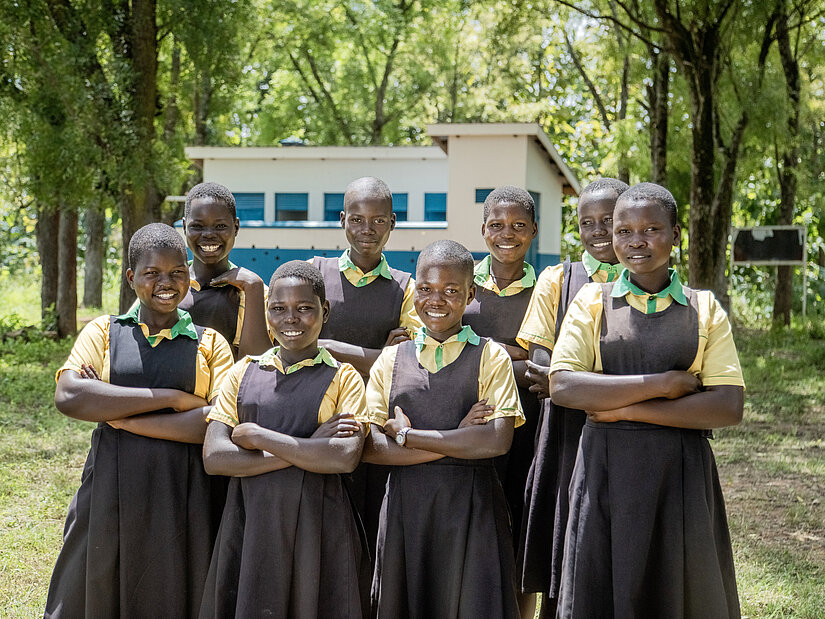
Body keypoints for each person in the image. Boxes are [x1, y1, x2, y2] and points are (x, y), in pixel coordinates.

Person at [550, 183, 744, 618]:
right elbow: (563, 386)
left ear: (676, 234)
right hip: (604, 471)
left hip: (679, 476)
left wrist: (625, 409)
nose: (636, 242)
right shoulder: (591, 302)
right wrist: (663, 383)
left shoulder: (704, 308)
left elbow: (727, 406)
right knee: (601, 590)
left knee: (678, 591)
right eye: (624, 231)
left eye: (651, 229)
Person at [44, 223, 234, 618]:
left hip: (186, 491)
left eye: (178, 272)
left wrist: (120, 416)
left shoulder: (211, 343)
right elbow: (70, 396)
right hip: (112, 487)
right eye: (152, 273)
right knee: (98, 587)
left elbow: (215, 424)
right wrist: (173, 399)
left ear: (189, 276)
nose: (167, 282)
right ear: (132, 278)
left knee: (175, 589)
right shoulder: (103, 331)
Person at [199, 260, 370, 618]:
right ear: (267, 313)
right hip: (251, 522)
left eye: (304, 308)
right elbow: (215, 457)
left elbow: (343, 458)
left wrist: (259, 436)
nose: (290, 319)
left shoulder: (346, 378)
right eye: (279, 309)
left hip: (319, 524)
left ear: (324, 311)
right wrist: (311, 443)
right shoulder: (242, 372)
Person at [364, 240, 524, 619]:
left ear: (470, 294)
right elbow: (370, 447)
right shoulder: (391, 359)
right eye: (426, 289)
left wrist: (407, 435)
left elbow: (497, 440)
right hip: (407, 510)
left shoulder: (490, 355)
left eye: (451, 291)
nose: (436, 300)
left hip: (473, 509)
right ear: (413, 290)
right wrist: (461, 435)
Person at [515, 177, 628, 615]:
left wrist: (580, 378)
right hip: (566, 431)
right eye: (587, 222)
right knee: (566, 540)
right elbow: (542, 369)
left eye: (609, 220)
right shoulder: (558, 279)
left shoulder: (649, 279)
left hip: (633, 431)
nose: (598, 230)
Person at [310, 175, 421, 566]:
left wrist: (328, 345)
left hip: (374, 422)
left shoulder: (407, 287)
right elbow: (291, 344)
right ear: (342, 220)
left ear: (393, 223)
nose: (367, 229)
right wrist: (377, 353)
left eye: (378, 220)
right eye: (357, 218)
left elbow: (406, 360)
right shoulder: (314, 273)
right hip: (316, 419)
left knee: (371, 531)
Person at [460, 186, 538, 569]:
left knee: (520, 530)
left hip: (532, 423)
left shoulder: (549, 291)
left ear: (534, 230)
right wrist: (516, 351)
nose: (507, 234)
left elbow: (545, 366)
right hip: (468, 417)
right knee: (473, 526)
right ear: (483, 230)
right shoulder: (460, 283)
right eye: (497, 225)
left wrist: (480, 346)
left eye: (518, 225)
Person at [181, 181, 270, 360]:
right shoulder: (169, 285)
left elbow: (258, 364)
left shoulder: (257, 292)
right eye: (197, 226)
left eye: (220, 226)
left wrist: (254, 287)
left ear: (236, 227)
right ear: (184, 226)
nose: (209, 234)